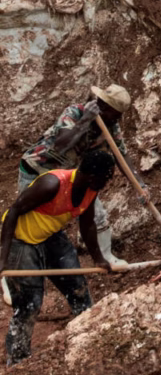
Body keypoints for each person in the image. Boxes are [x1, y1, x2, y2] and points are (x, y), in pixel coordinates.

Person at [1, 150, 117, 366]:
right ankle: (17, 361)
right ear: (92, 175)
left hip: (50, 235)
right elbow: (14, 211)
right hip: (21, 240)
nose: (107, 182)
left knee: (77, 287)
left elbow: (87, 223)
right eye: (106, 177)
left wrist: (99, 258)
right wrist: (3, 258)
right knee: (29, 303)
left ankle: (89, 335)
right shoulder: (52, 184)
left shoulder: (90, 190)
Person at [17, 85, 143, 268]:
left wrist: (139, 184)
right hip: (38, 170)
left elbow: (121, 155)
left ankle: (105, 256)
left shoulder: (111, 126)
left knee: (97, 214)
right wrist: (86, 120)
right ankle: (13, 266)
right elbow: (61, 144)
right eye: (115, 114)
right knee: (28, 217)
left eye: (119, 116)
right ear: (102, 106)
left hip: (70, 175)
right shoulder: (75, 112)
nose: (118, 119)